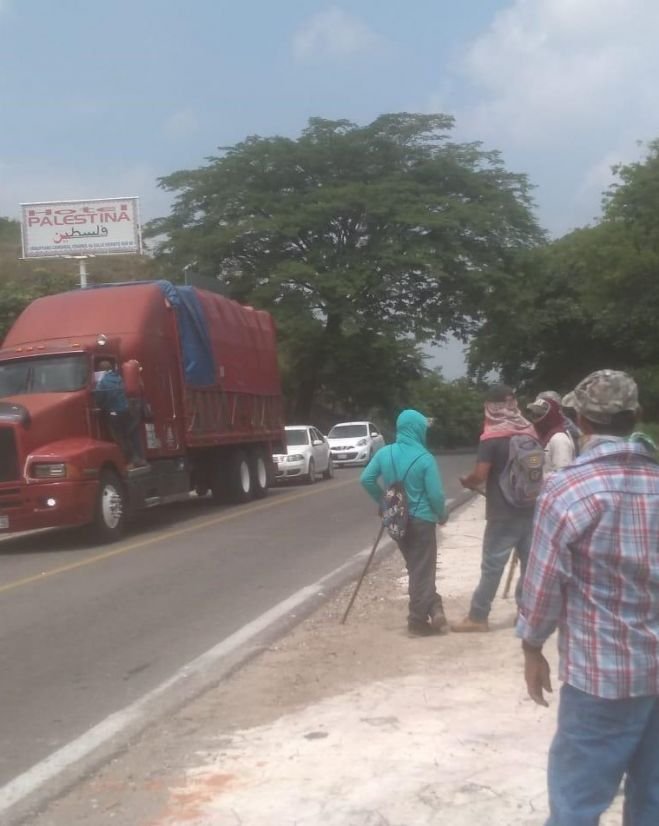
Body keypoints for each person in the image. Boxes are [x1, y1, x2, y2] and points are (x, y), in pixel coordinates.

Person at [517, 369, 659, 825]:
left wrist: (532, 646)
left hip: (601, 677)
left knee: (577, 803)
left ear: (581, 419)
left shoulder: (568, 488)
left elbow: (542, 585)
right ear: (635, 415)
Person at [453, 384, 537, 633]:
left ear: (491, 406)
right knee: (530, 565)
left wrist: (468, 482)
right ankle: (526, 615)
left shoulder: (491, 438)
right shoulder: (529, 431)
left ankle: (478, 617)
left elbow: (480, 474)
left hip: (502, 512)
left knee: (492, 566)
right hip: (531, 507)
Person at [360, 409, 448, 637]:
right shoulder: (425, 458)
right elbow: (436, 495)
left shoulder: (384, 453)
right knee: (422, 570)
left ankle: (435, 608)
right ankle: (417, 621)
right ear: (417, 429)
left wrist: (385, 502)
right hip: (422, 520)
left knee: (416, 568)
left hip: (397, 522)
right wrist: (442, 514)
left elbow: (366, 479)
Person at [94, 360, 147, 468]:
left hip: (114, 413)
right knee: (132, 435)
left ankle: (130, 461)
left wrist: (102, 406)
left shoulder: (103, 381)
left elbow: (99, 398)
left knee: (119, 438)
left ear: (100, 370)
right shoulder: (120, 377)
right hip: (128, 411)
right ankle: (141, 459)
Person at [526, 396, 575, 476]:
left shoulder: (559, 439)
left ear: (551, 416)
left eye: (539, 415)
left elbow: (562, 474)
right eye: (533, 415)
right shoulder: (544, 436)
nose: (534, 418)